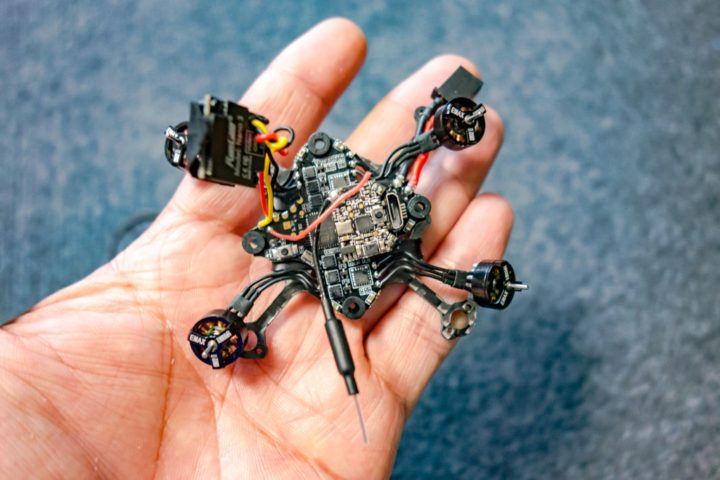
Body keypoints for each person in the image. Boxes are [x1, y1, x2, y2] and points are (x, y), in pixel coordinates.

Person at [0, 18, 512, 479]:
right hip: (321, 248)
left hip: (345, 245)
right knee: (398, 177)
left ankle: (442, 145)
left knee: (404, 178)